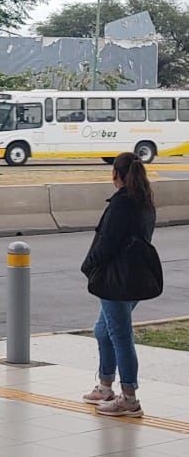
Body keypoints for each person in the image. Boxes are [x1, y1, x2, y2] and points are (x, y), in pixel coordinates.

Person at [80, 151, 157, 417]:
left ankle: (129, 397)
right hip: (135, 278)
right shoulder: (145, 202)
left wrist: (89, 265)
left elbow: (107, 243)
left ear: (116, 175)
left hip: (115, 279)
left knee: (120, 335)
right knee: (103, 330)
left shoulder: (122, 204)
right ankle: (104, 386)